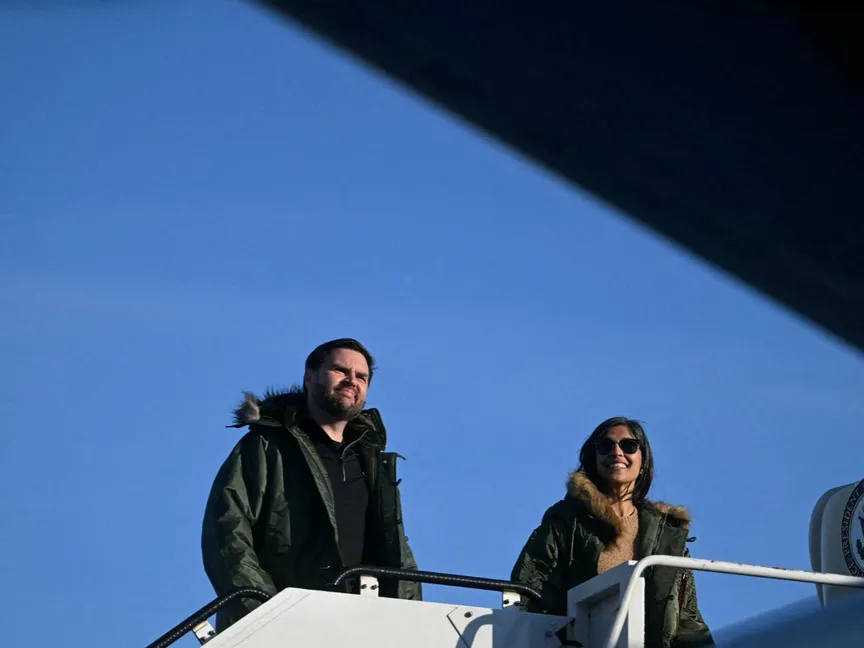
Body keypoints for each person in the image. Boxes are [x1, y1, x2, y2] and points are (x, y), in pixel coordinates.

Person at [201, 338, 421, 631]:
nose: (351, 380)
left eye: (361, 377)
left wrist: (412, 623)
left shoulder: (373, 463)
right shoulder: (267, 447)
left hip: (367, 626)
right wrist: (265, 613)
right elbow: (227, 534)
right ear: (309, 377)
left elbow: (398, 552)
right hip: (287, 624)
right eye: (340, 370)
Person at [510, 417, 713, 648]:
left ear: (643, 461)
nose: (617, 452)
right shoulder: (565, 523)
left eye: (629, 445)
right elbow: (528, 595)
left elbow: (687, 620)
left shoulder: (668, 536)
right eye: (606, 446)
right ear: (594, 459)